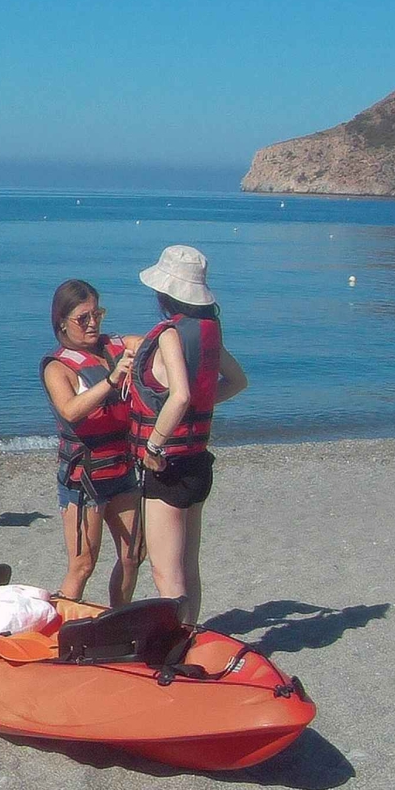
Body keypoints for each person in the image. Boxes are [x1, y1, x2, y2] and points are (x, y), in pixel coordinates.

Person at [128, 245, 248, 624]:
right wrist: (202, 405)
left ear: (165, 293)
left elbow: (178, 396)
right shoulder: (209, 333)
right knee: (189, 566)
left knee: (167, 572)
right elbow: (238, 382)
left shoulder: (170, 334)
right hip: (198, 462)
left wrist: (153, 444)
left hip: (168, 465)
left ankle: (176, 644)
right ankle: (190, 633)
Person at [40, 280, 142, 607]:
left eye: (97, 314)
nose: (92, 323)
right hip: (84, 477)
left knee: (133, 554)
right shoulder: (58, 367)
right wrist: (112, 381)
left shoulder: (115, 346)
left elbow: (154, 342)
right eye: (83, 318)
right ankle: (60, 625)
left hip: (122, 469)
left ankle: (119, 618)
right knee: (83, 564)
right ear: (62, 323)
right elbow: (70, 410)